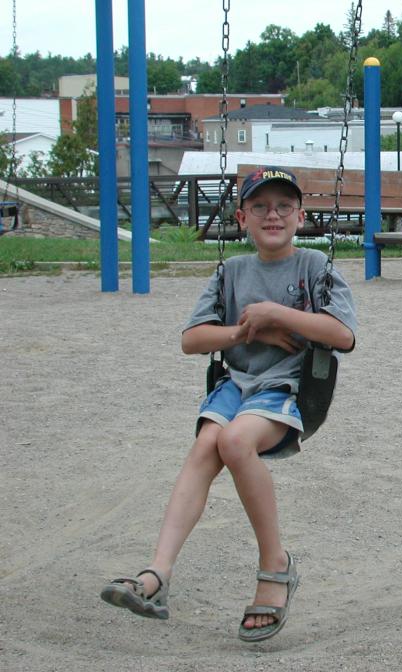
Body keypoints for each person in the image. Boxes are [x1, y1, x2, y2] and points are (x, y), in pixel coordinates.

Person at [100, 166, 357, 641]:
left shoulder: (315, 268)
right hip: (234, 387)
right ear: (242, 218)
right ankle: (157, 573)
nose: (272, 215)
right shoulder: (230, 271)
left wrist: (276, 313)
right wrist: (244, 330)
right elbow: (192, 340)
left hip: (286, 390)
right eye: (260, 207)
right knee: (204, 448)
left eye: (283, 206)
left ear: (301, 216)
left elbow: (342, 335)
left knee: (235, 442)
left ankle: (274, 564)